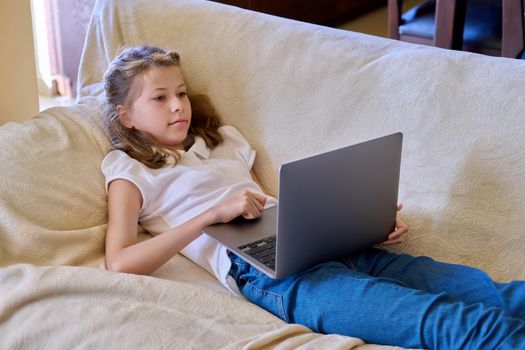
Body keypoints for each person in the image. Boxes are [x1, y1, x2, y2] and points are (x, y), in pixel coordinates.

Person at [101, 45, 525, 349]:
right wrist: (211, 215)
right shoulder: (130, 170)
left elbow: (275, 204)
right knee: (458, 324)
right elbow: (120, 261)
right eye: (160, 98)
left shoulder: (223, 141)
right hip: (271, 274)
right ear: (126, 116)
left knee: (499, 296)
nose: (178, 106)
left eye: (181, 92)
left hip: (319, 243)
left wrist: (359, 221)